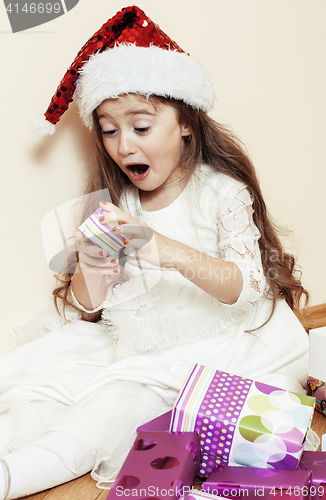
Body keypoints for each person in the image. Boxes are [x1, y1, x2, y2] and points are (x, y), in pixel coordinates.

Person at [0, 6, 310, 499]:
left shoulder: (220, 192)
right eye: (108, 129)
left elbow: (249, 287)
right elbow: (87, 306)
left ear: (185, 123)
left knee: (103, 412)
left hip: (207, 345)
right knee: (38, 391)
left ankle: (14, 477)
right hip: (129, 343)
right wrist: (92, 265)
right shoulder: (119, 201)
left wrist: (166, 249)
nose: (123, 147)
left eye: (140, 127)